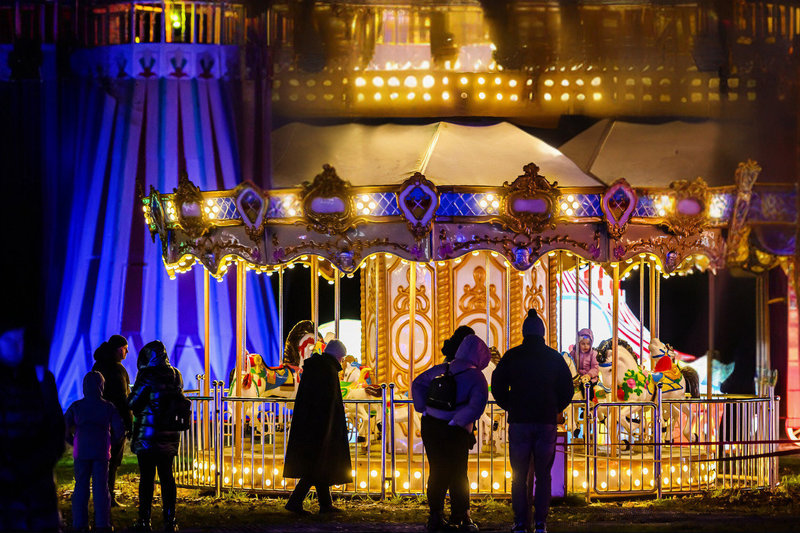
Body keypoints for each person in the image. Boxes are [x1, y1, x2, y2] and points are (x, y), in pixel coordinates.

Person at [492, 310, 573, 533]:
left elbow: (497, 384)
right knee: (543, 474)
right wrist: (556, 407)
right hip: (546, 422)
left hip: (520, 422)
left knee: (519, 474)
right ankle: (540, 522)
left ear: (524, 332)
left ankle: (520, 522)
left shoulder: (512, 356)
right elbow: (568, 388)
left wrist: (510, 404)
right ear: (543, 333)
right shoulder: (554, 357)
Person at [412, 334, 490, 533]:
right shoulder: (476, 377)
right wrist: (457, 420)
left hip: (431, 425)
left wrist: (423, 407)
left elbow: (417, 383)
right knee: (458, 473)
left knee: (437, 471)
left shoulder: (443, 368)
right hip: (455, 430)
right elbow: (476, 406)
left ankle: (436, 515)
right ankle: (461, 515)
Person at [0, 327, 65, 532]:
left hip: (37, 490)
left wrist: (35, 463)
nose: (17, 344)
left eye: (21, 338)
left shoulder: (41, 378)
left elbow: (56, 430)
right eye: (10, 338)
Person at [283, 339, 352, 515]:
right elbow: (327, 404)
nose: (343, 362)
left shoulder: (317, 368)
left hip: (310, 425)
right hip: (320, 427)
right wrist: (329, 429)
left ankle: (325, 504)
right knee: (315, 466)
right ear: (338, 356)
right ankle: (295, 501)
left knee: (320, 464)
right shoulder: (327, 371)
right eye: (342, 358)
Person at [128, 341, 184, 532]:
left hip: (148, 436)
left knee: (147, 479)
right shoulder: (176, 375)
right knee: (167, 477)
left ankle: (144, 520)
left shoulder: (147, 375)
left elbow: (133, 402)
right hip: (169, 434)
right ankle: (170, 519)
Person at [64, 371, 125, 533]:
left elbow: (64, 427)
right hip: (101, 451)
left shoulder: (76, 406)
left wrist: (73, 442)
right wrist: (110, 443)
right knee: (101, 488)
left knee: (81, 487)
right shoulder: (108, 407)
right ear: (101, 386)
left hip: (82, 451)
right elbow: (119, 430)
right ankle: (102, 524)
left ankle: (80, 524)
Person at [92, 335, 132, 507]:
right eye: (124, 348)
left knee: (101, 460)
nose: (127, 351)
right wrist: (129, 423)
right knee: (113, 460)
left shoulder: (98, 365)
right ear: (117, 349)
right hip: (115, 421)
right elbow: (123, 399)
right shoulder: (117, 370)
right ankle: (108, 497)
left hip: (97, 419)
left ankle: (101, 494)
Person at [569, 328, 599, 398]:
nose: (586, 346)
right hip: (577, 378)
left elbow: (595, 367)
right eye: (583, 344)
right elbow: (570, 362)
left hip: (590, 378)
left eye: (588, 344)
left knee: (586, 387)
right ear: (578, 344)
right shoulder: (574, 353)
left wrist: (589, 375)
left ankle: (589, 403)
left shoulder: (593, 354)